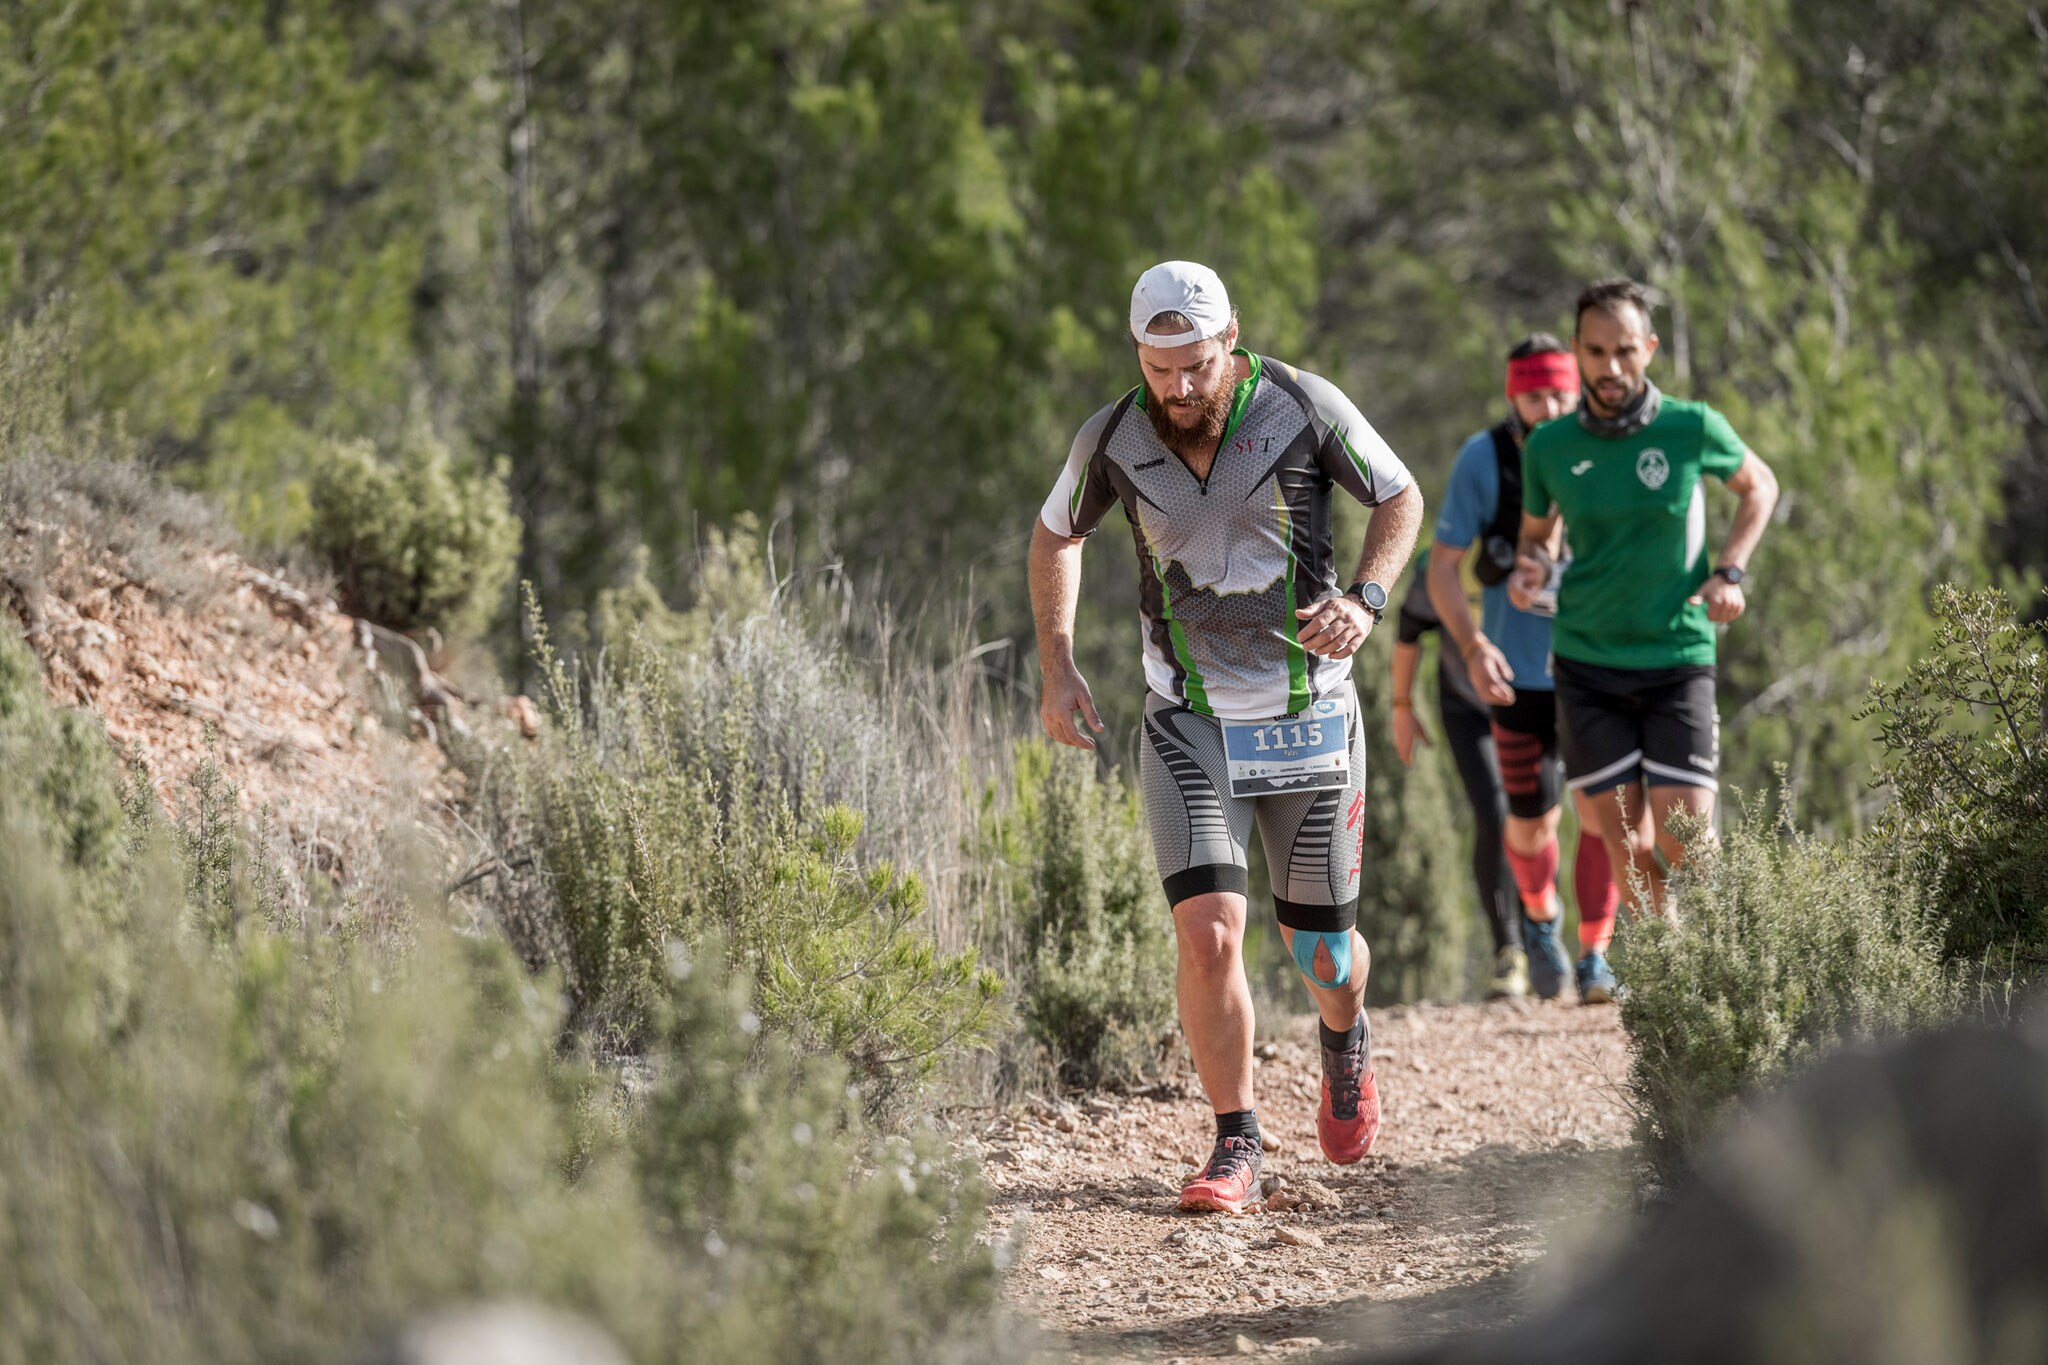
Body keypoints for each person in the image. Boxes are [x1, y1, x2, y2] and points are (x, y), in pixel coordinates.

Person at [1030, 261, 1423, 1214]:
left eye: (1197, 365)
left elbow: (1400, 497)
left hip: (1311, 715)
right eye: (1161, 367)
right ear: (1139, 356)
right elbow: (1055, 538)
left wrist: (1368, 602)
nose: (1180, 387)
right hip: (1188, 718)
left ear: (1231, 342)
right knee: (1209, 934)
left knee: (1323, 952)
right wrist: (1059, 661)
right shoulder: (1114, 435)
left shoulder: (1301, 403)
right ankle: (1235, 1141)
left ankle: (1344, 1037)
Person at [1513, 280, 1779, 988]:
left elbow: (1761, 487)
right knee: (1626, 845)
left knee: (1688, 839)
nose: (1609, 368)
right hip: (1587, 662)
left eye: (1624, 351)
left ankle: (1725, 971)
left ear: (1648, 349)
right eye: (1595, 352)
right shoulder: (1550, 445)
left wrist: (1732, 571)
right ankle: (1682, 983)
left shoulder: (1691, 427)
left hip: (1677, 656)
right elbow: (1537, 539)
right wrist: (1529, 570)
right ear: (1577, 352)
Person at [1425, 336, 1620, 1002]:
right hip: (1518, 678)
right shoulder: (1484, 460)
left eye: (1563, 391)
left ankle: (1594, 954)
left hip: (1596, 667)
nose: (1553, 405)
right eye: (1537, 393)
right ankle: (1541, 923)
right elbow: (1441, 567)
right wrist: (1475, 645)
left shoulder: (1603, 448)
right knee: (1531, 822)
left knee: (1600, 815)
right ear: (1513, 395)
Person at [1389, 553, 1526, 997]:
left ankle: (1543, 928)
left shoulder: (1538, 553)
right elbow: (1408, 631)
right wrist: (1402, 708)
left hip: (1534, 706)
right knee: (1496, 813)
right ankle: (1508, 947)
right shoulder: (1440, 565)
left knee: (1536, 819)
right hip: (1466, 707)